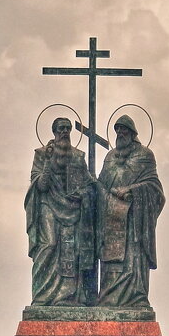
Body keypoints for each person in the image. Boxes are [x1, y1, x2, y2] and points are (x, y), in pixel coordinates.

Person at [25, 117, 99, 305]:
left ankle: (67, 297)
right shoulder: (42, 154)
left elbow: (89, 184)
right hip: (48, 204)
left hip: (72, 208)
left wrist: (84, 194)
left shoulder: (78, 156)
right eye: (61, 128)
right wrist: (48, 161)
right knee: (49, 245)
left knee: (71, 250)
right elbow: (40, 186)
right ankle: (42, 297)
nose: (65, 132)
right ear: (54, 131)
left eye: (68, 128)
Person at [97, 114, 164, 308]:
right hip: (111, 217)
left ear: (132, 132)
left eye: (123, 129)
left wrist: (131, 190)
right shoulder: (110, 157)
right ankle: (108, 300)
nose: (120, 133)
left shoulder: (145, 155)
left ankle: (135, 298)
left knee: (132, 260)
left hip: (135, 219)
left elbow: (154, 187)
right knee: (111, 263)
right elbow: (101, 183)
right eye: (117, 129)